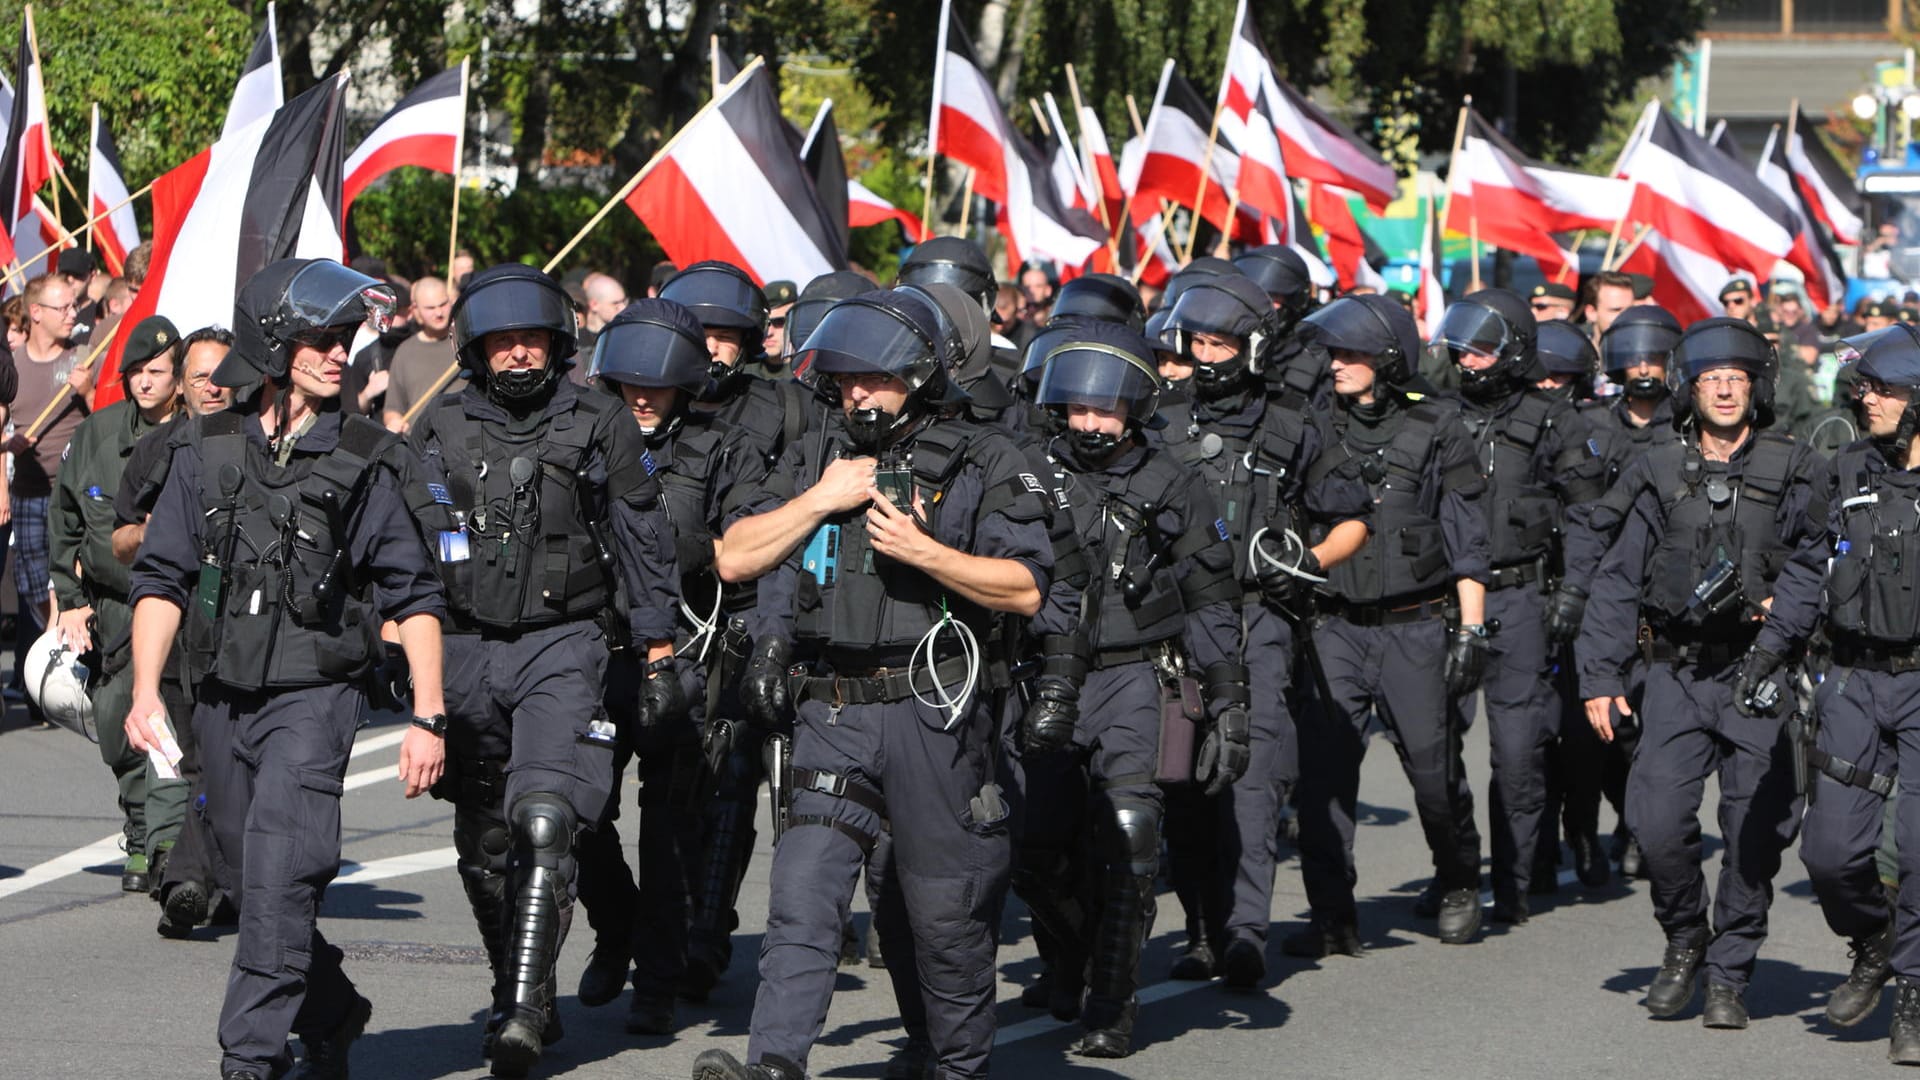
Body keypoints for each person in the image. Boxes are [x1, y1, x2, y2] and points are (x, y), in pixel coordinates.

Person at [695, 288, 1054, 1080]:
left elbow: (1026, 588)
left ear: (921, 376)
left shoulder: (986, 456)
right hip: (832, 709)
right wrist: (821, 498)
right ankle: (774, 1064)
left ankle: (953, 1065)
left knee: (941, 919)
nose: (857, 392)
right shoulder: (818, 456)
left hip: (935, 713)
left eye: (876, 379)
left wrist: (927, 553)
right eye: (848, 377)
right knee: (803, 897)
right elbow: (736, 556)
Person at [122, 257, 450, 1080]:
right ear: (275, 345)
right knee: (244, 873)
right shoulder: (207, 447)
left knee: (280, 873)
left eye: (347, 339)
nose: (342, 353)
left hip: (316, 695)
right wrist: (141, 694)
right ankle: (334, 1008)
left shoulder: (369, 457)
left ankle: (250, 1060)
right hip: (221, 697)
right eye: (323, 339)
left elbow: (414, 596)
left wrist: (428, 716)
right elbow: (160, 577)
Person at [409, 263, 682, 1077]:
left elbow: (641, 534)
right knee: (485, 842)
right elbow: (405, 541)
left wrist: (658, 646)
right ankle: (516, 988)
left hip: (565, 642)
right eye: (503, 343)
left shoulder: (599, 420)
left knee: (544, 819)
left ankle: (523, 1014)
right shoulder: (439, 429)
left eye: (532, 340)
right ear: (476, 349)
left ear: (558, 344)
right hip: (464, 646)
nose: (520, 355)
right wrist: (395, 636)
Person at [1576, 317, 1818, 1029]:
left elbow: (1823, 555)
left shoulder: (1795, 465)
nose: (1722, 387)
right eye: (1710, 377)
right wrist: (1599, 674)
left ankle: (1729, 972)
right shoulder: (1656, 467)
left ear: (1756, 388)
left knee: (1753, 831)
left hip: (1758, 673)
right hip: (1675, 672)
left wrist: (1789, 605)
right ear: (1691, 387)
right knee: (1654, 822)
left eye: (1736, 378)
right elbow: (1618, 579)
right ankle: (1685, 937)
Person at [1019, 321, 1245, 1055]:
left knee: (1132, 838)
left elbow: (1211, 595)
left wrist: (1230, 700)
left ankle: (1112, 1006)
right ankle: (1073, 957)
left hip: (1135, 677)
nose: (1088, 424)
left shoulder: (1175, 480)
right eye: (1078, 409)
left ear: (1136, 408)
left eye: (1105, 410)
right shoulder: (1027, 472)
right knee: (1033, 848)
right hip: (1042, 676)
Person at [1152, 271, 1370, 989]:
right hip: (1175, 624)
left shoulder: (1292, 421)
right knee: (1181, 785)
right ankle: (1202, 929)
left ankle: (1245, 932)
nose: (1207, 355)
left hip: (1259, 619)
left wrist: (1305, 560)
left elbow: (1353, 518)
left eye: (1221, 343)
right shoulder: (1161, 416)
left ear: (1250, 348)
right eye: (1198, 341)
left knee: (1251, 778)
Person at [570, 298, 765, 1037]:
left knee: (670, 829)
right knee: (579, 814)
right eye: (628, 386)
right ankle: (615, 926)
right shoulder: (580, 438)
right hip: (588, 650)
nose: (642, 400)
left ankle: (655, 983)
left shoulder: (726, 448)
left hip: (684, 653)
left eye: (657, 387)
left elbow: (748, 546)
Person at [1283, 293, 1491, 955]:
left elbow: (1467, 536)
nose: (1337, 364)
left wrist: (1470, 630)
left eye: (1352, 353)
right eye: (1333, 353)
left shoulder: (1438, 425)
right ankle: (1331, 913)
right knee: (1324, 778)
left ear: (1389, 358)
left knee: (1433, 772)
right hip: (1334, 625)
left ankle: (1458, 881)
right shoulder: (1312, 423)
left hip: (1415, 625)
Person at [1736, 322, 1920, 1059]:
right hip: (1851, 677)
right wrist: (1767, 654)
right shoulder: (1845, 471)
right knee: (1830, 854)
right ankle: (1872, 939)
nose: (1866, 399)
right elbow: (1810, 570)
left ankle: (1911, 990)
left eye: (1883, 390)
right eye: (1864, 388)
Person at [1432, 288, 1579, 922]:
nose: (1468, 360)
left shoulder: (1554, 419)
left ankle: (1516, 878)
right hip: (1440, 599)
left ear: (1515, 351)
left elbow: (1590, 515)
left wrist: (1572, 591)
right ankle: (1457, 870)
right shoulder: (1432, 414)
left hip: (1520, 595)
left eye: (1482, 349)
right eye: (1462, 348)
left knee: (1518, 752)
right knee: (1431, 748)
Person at [1544, 304, 1689, 884]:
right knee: (1582, 737)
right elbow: (1578, 517)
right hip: (1598, 596)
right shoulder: (1589, 426)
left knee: (1644, 732)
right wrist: (1576, 591)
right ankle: (1580, 834)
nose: (1646, 368)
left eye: (1657, 357)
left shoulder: (1686, 428)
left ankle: (1637, 829)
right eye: (1636, 357)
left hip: (1665, 600)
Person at [49, 316, 189, 912]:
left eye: (157, 373)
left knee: (166, 723)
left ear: (179, 378)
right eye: (135, 373)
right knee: (115, 722)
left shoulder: (201, 436)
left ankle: (162, 846)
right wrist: (71, 599)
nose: (144, 383)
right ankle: (141, 826)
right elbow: (66, 518)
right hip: (113, 603)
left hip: (183, 605)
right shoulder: (98, 434)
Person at [112, 326, 237, 938]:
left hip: (246, 630)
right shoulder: (158, 450)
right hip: (176, 626)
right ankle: (191, 878)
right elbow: (119, 539)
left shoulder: (262, 444)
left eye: (222, 374)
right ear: (181, 387)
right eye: (198, 377)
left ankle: (202, 879)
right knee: (190, 765)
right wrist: (155, 531)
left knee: (228, 766)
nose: (212, 387)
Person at [12, 275, 93, 760]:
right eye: (62, 307)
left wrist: (89, 390)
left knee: (64, 581)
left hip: (74, 491)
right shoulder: (16, 365)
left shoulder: (83, 356)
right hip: (26, 489)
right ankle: (50, 651)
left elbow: (110, 410)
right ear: (35, 312)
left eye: (75, 306)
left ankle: (68, 667)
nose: (72, 315)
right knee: (28, 584)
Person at [379, 276, 455, 432]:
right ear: (415, 311)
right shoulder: (405, 352)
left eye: (443, 304)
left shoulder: (466, 343)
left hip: (466, 443)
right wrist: (394, 421)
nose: (439, 313)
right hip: (420, 446)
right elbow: (392, 408)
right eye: (430, 308)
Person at [756, 279, 798, 376]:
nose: (769, 332)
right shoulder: (743, 372)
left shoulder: (812, 373)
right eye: (764, 322)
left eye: (779, 322)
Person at [1581, 270, 1636, 338]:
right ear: (1591, 313)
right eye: (1616, 310)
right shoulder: (1572, 347)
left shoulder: (1649, 346)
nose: (1626, 317)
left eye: (1631, 310)